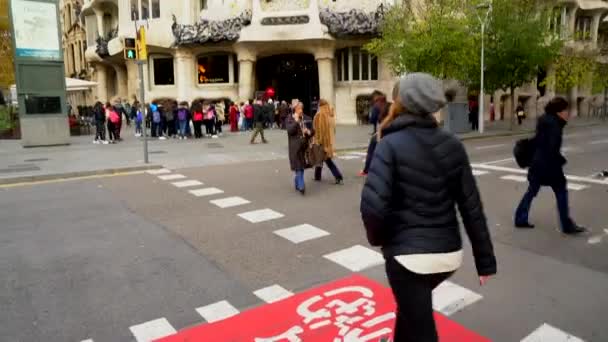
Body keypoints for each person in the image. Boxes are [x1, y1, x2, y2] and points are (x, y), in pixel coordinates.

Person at [360, 73, 497, 341]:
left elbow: (373, 208)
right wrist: (485, 261)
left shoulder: (388, 145)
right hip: (448, 255)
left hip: (407, 257)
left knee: (421, 327)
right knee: (411, 308)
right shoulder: (453, 144)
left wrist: (382, 241)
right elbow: (472, 207)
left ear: (400, 103)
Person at [514, 97, 587, 235]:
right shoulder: (555, 125)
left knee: (532, 191)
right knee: (561, 191)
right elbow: (551, 148)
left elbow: (539, 142)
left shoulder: (544, 120)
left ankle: (520, 218)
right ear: (559, 112)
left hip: (537, 163)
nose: (568, 113)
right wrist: (560, 160)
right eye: (566, 110)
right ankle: (567, 225)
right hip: (548, 166)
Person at [359, 87, 395, 177]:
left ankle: (366, 170)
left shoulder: (376, 107)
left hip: (382, 132)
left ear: (378, 101)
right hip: (391, 133)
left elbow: (373, 120)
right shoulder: (391, 105)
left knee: (371, 151)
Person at [313, 99, 344, 185]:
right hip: (330, 141)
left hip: (324, 142)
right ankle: (317, 176)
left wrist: (319, 141)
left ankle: (338, 176)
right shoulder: (330, 115)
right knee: (320, 159)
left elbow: (320, 130)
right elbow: (333, 130)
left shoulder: (320, 115)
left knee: (326, 160)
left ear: (320, 105)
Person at [287, 102, 314, 195]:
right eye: (298, 109)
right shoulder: (290, 119)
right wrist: (296, 122)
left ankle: (297, 181)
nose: (300, 111)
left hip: (304, 147)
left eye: (301, 108)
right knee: (299, 168)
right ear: (295, 109)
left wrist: (309, 131)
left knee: (301, 166)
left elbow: (313, 130)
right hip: (294, 147)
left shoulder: (307, 118)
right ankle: (301, 186)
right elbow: (290, 131)